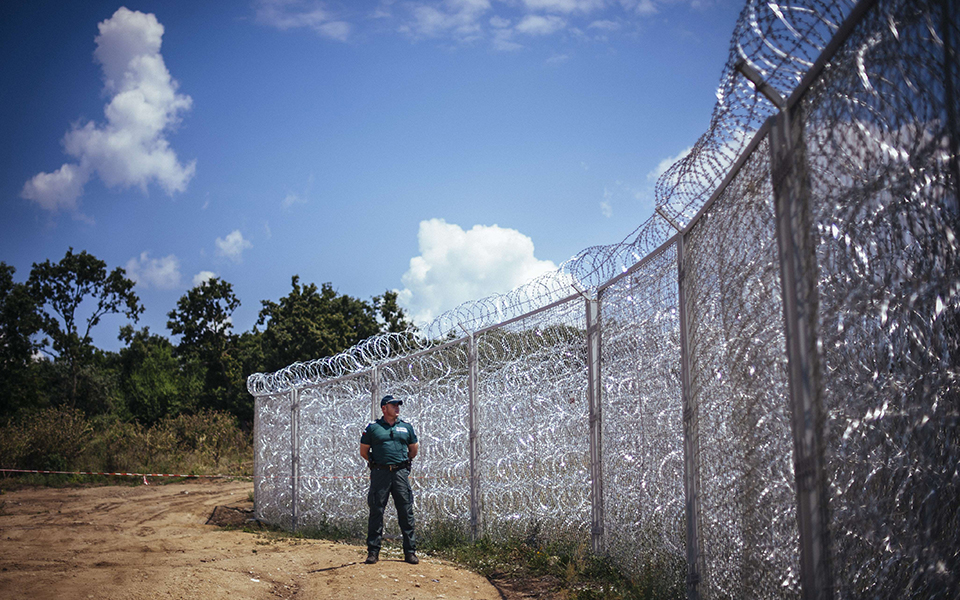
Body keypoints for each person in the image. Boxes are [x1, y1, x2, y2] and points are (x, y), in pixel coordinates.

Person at [360, 394, 419, 564]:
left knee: (406, 511)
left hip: (400, 473)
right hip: (380, 473)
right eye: (393, 405)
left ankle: (410, 552)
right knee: (376, 511)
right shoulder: (373, 428)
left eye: (398, 405)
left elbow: (413, 449)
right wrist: (376, 463)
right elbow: (364, 451)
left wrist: (404, 462)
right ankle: (373, 552)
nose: (397, 407)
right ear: (384, 408)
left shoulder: (406, 427)